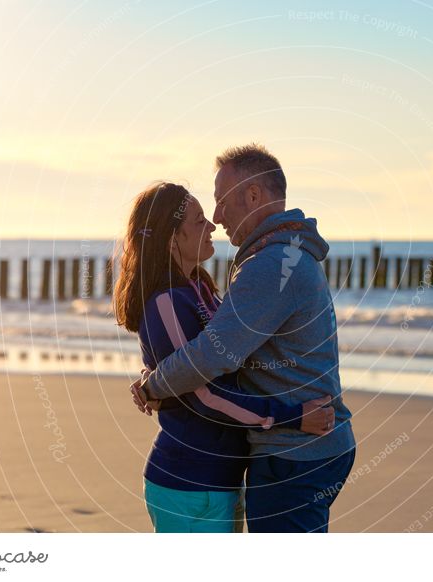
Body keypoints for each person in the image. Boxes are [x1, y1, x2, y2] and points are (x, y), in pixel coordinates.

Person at [136, 144, 357, 532]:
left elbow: (211, 355)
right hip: (296, 447)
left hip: (295, 451)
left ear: (253, 195)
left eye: (221, 203)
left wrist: (154, 385)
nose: (218, 218)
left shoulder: (271, 265)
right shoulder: (280, 254)